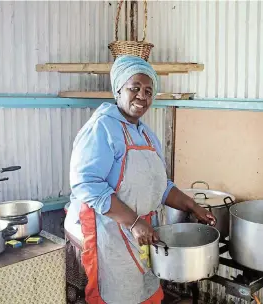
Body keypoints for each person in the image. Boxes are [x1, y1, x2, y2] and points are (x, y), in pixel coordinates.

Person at [64, 55, 216, 304]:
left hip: (144, 232)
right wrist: (133, 223)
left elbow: (161, 186)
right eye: (134, 88)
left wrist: (193, 206)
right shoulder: (102, 127)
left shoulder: (145, 133)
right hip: (109, 233)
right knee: (116, 295)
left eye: (148, 91)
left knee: (144, 292)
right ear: (118, 89)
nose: (142, 96)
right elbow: (86, 184)